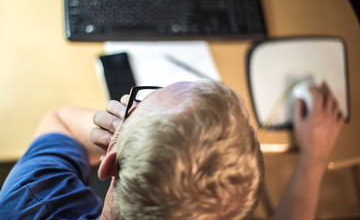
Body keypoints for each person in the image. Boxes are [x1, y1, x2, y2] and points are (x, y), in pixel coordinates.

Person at [0, 79, 344, 220]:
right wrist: (314, 156)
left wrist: (129, 136)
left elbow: (58, 119)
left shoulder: (30, 201)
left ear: (109, 164)